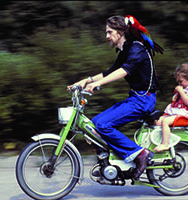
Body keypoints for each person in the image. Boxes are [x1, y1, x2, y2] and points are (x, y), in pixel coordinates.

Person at [68, 15, 162, 179]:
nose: (107, 36)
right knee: (95, 124)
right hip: (135, 98)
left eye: (109, 32)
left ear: (120, 32)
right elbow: (109, 72)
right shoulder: (125, 51)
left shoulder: (136, 48)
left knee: (103, 124)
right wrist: (85, 81)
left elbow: (125, 70)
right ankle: (107, 163)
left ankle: (139, 154)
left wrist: (99, 84)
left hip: (143, 100)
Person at [153, 62, 188, 152]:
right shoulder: (184, 88)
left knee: (165, 121)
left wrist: (181, 92)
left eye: (181, 81)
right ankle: (165, 139)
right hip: (178, 112)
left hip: (185, 114)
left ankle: (165, 144)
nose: (179, 84)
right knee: (158, 121)